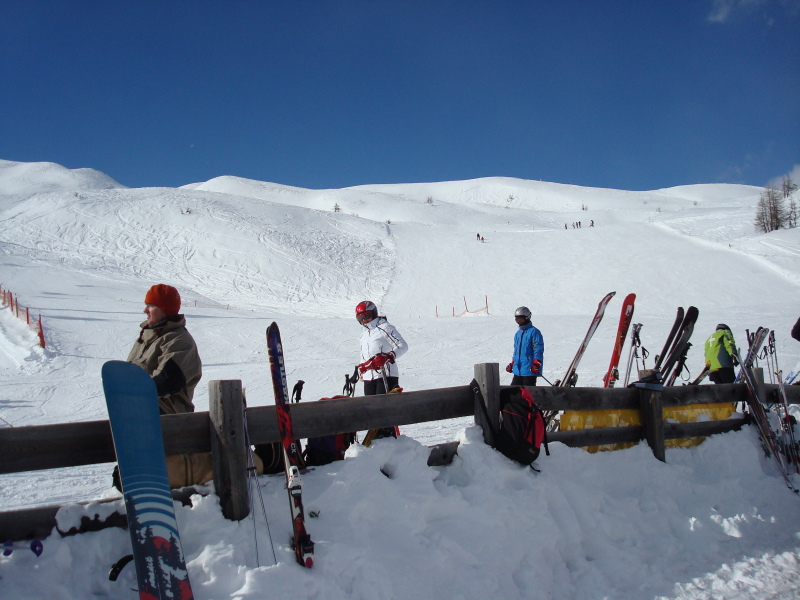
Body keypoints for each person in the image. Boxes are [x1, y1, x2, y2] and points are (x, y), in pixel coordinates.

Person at [120, 284, 218, 489]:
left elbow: (168, 380)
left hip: (167, 418)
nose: (145, 310)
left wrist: (133, 390)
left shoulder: (180, 341)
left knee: (150, 477)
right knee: (124, 477)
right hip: (138, 417)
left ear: (165, 309)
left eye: (151, 305)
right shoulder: (145, 338)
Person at [356, 300, 408, 438]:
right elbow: (364, 355)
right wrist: (361, 370)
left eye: (366, 316)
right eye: (360, 318)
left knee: (383, 411)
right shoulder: (363, 335)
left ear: (374, 313)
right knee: (371, 411)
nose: (364, 320)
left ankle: (388, 438)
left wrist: (389, 356)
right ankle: (375, 439)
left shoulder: (385, 327)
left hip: (386, 374)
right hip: (369, 378)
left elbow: (403, 346)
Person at [506, 306, 544, 386]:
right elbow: (516, 351)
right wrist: (512, 364)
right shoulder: (518, 333)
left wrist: (536, 364)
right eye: (517, 319)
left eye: (521, 319)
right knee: (513, 391)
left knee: (528, 392)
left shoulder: (534, 332)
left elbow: (538, 349)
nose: (519, 321)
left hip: (529, 370)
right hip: (517, 370)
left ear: (527, 318)